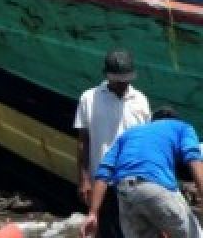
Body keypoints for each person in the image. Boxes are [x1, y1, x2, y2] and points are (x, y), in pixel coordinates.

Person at [84, 107, 203, 238]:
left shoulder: (128, 134)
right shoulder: (182, 127)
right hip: (154, 186)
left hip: (124, 194)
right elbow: (193, 159)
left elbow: (103, 172)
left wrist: (93, 213)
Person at [74, 48, 151, 238]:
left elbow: (146, 145)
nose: (123, 85)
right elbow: (83, 141)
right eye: (118, 81)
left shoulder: (140, 101)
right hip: (101, 182)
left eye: (126, 80)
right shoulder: (89, 98)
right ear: (107, 77)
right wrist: (84, 179)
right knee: (106, 230)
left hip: (133, 181)